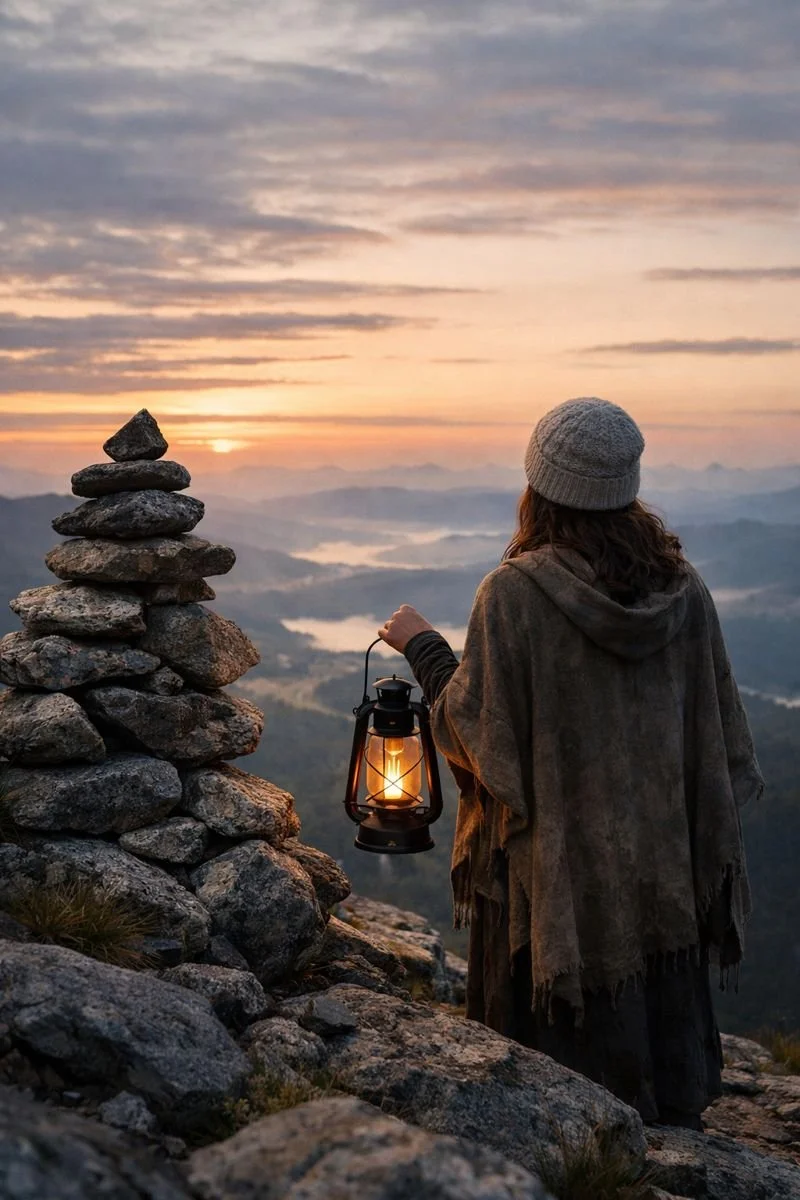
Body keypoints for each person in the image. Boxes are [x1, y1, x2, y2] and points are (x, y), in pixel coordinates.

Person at [378, 396, 761, 1129]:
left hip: (551, 885)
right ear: (626, 489)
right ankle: (669, 1097)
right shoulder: (685, 593)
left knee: (542, 1119)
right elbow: (715, 743)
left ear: (538, 484)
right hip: (660, 879)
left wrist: (423, 648)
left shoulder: (515, 595)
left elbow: (476, 737)